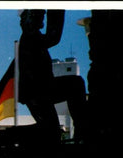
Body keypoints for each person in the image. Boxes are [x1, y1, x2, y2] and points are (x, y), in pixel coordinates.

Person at [18, 10, 87, 140]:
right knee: (76, 84)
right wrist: (56, 10)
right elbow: (52, 38)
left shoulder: (31, 36)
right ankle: (82, 129)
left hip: (39, 92)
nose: (41, 18)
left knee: (51, 130)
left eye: (42, 15)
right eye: (38, 15)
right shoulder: (30, 37)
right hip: (38, 93)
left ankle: (82, 129)